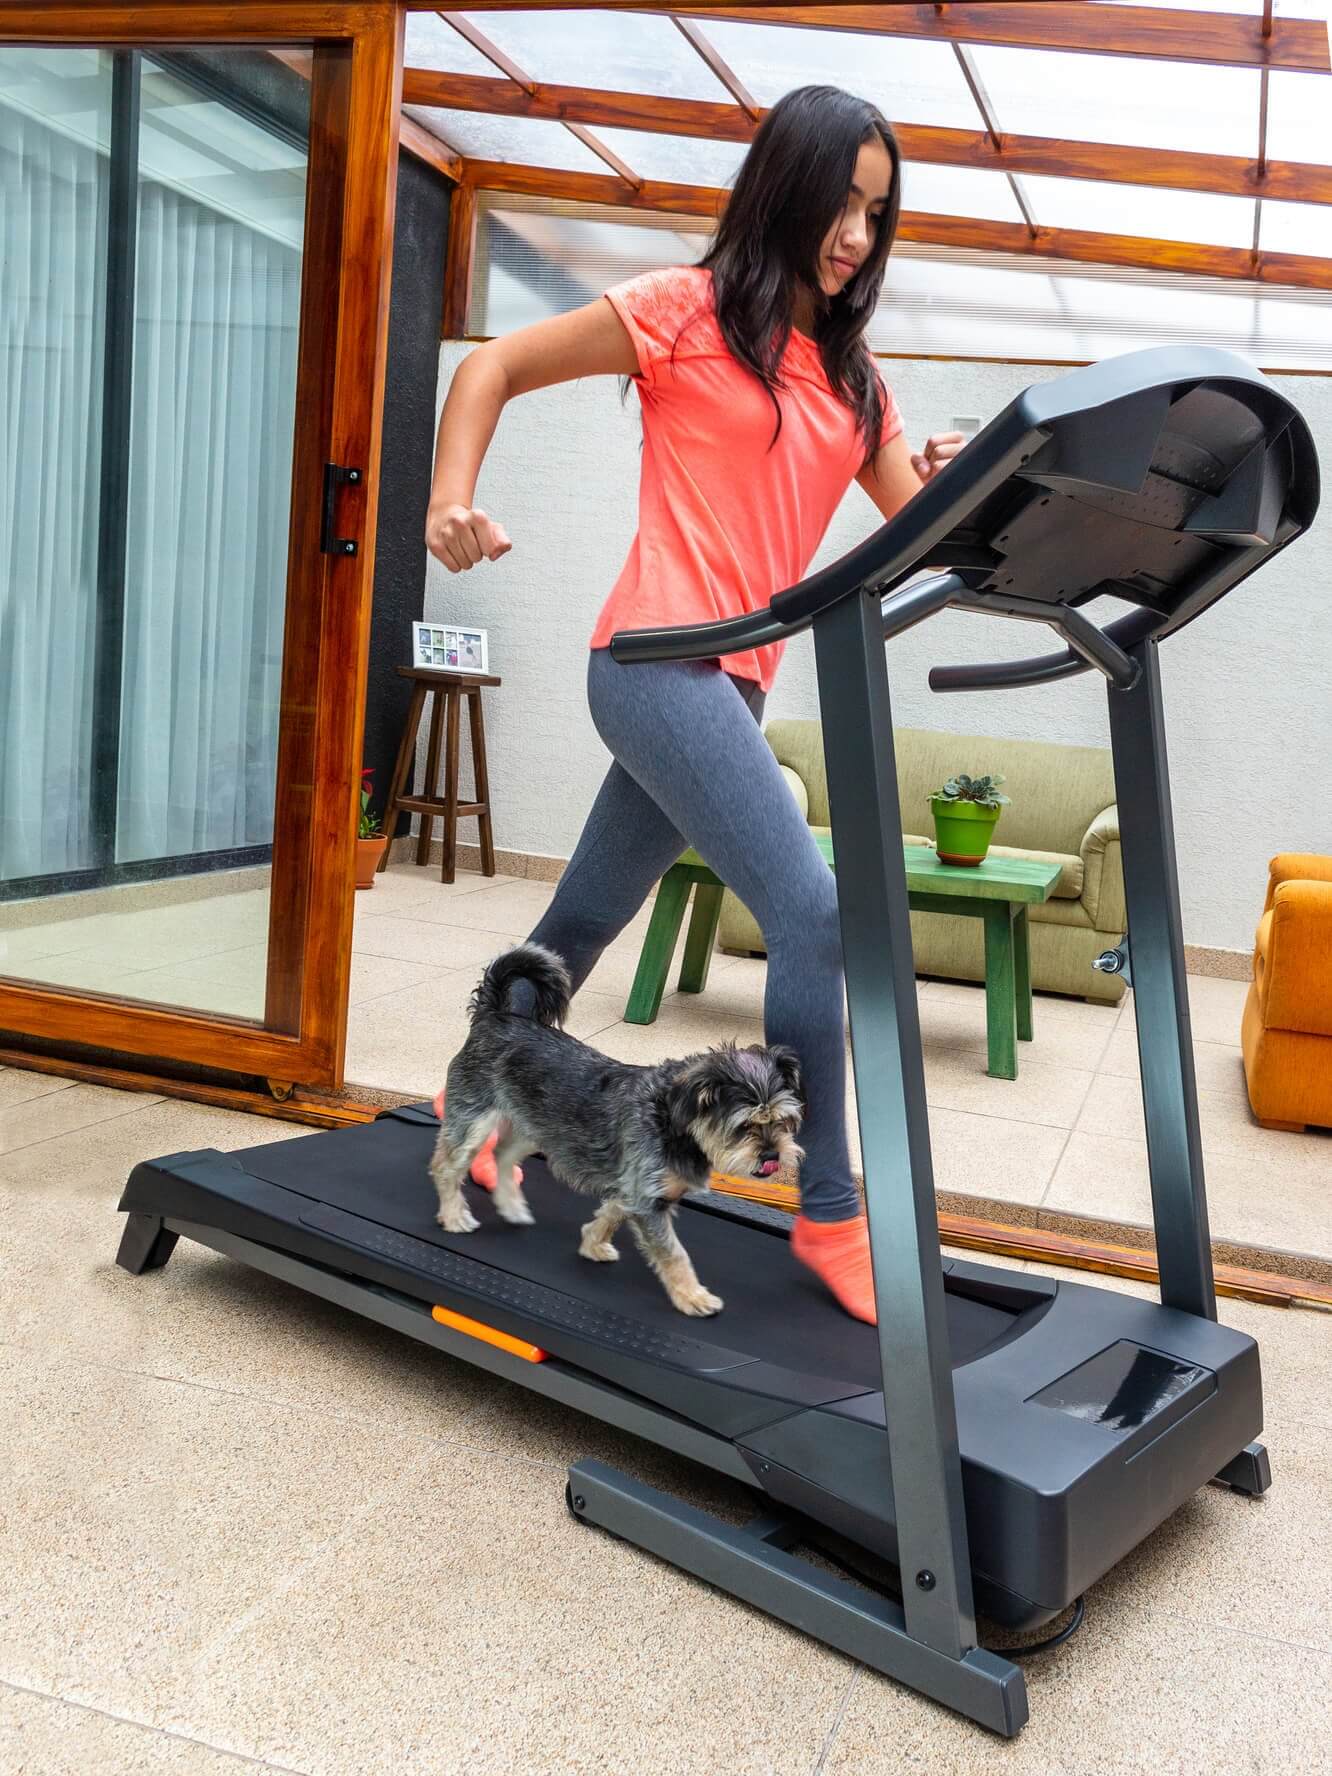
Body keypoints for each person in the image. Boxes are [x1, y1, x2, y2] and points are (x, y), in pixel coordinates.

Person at [424, 85, 964, 1324]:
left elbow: (919, 537)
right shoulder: (682, 311)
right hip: (653, 661)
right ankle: (830, 1209)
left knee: (573, 930)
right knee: (813, 909)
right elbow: (494, 365)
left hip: (730, 686)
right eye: (842, 202)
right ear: (786, 185)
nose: (857, 236)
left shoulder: (853, 374)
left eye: (878, 216)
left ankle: (497, 1109)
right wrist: (449, 498)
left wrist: (948, 484)